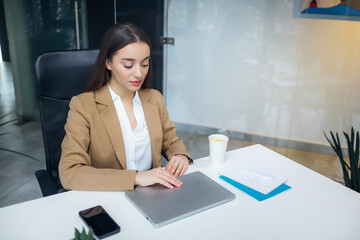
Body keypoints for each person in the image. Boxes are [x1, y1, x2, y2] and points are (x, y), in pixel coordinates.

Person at [58, 23, 192, 191]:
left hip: (154, 194)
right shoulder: (83, 106)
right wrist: (136, 178)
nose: (138, 73)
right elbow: (69, 173)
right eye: (128, 65)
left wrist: (179, 155)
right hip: (111, 196)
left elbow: (171, 141)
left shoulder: (154, 99)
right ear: (108, 62)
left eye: (145, 64)